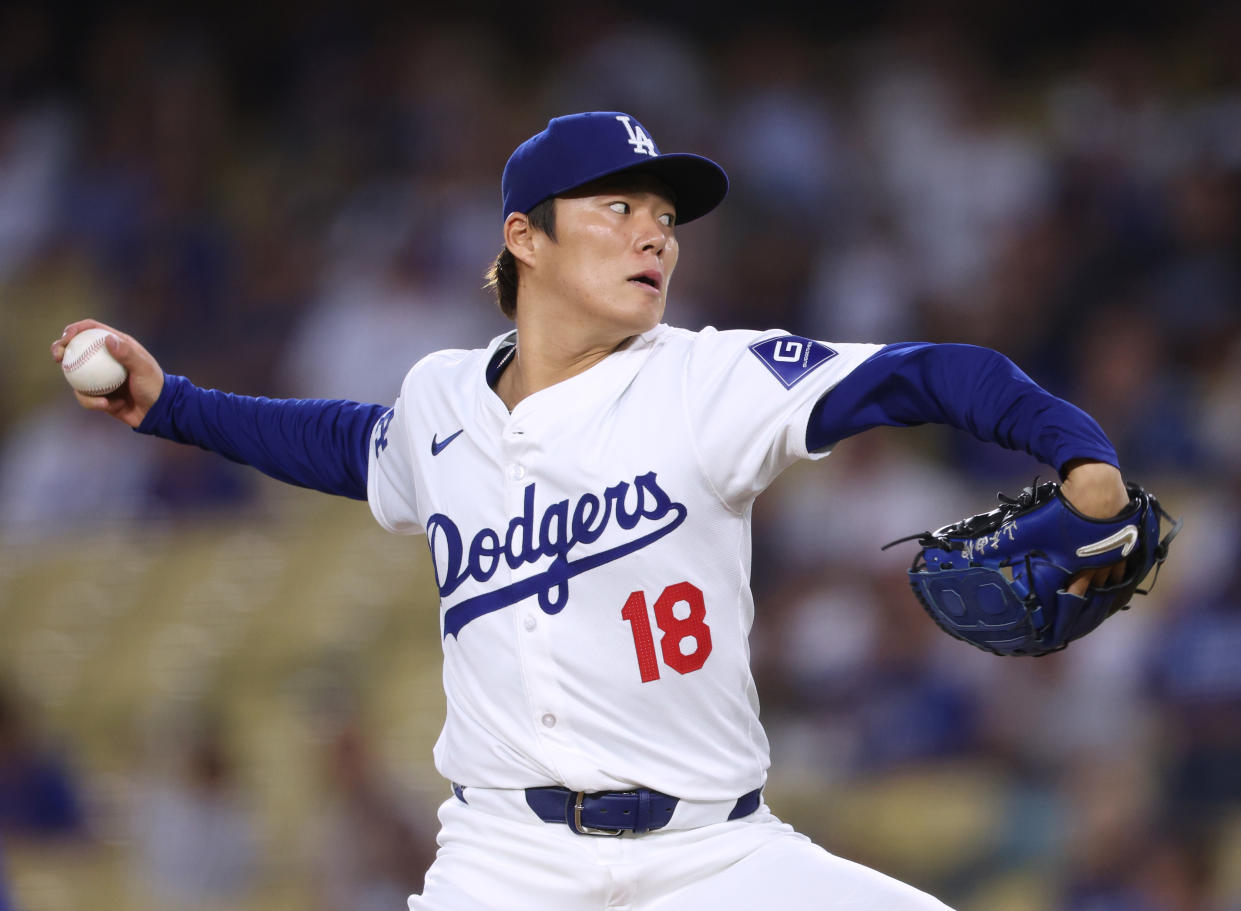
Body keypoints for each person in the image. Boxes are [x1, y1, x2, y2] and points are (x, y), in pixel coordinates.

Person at [52, 111, 1133, 910]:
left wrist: (1076, 452)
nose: (652, 234)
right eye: (616, 207)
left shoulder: (706, 379)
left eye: (663, 215)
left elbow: (922, 372)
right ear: (523, 237)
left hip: (715, 858)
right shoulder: (439, 398)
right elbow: (347, 444)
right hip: (505, 862)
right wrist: (172, 405)